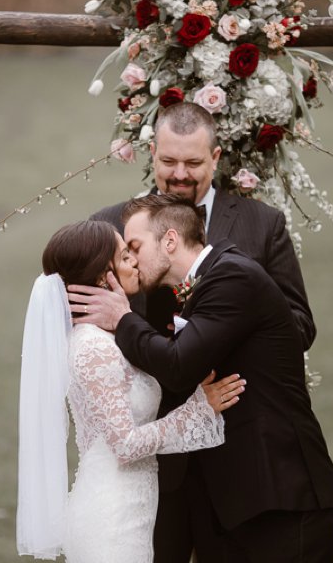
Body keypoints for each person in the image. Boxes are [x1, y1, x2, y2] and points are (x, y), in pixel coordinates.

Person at [90, 102, 319, 562]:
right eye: (168, 161)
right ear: (151, 153)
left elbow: (297, 327)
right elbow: (91, 319)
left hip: (243, 452)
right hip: (154, 453)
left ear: (216, 158)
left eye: (193, 163)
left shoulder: (261, 224)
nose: (179, 175)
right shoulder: (111, 226)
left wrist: (217, 328)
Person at [70, 195, 333, 563]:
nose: (131, 260)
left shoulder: (231, 275)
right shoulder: (208, 284)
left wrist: (123, 318)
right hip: (243, 501)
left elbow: (180, 367)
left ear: (169, 241)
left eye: (135, 247)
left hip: (281, 493)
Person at [16, 220, 245, 563]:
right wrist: (199, 408)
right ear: (101, 278)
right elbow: (125, 446)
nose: (135, 262)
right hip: (112, 520)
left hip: (130, 509)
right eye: (125, 257)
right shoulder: (94, 348)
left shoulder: (106, 338)